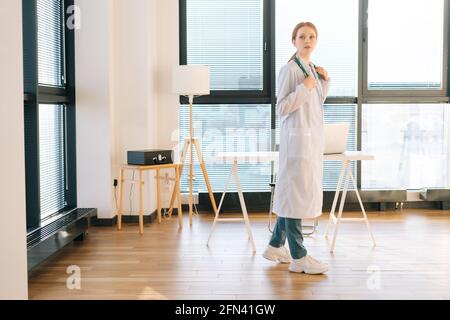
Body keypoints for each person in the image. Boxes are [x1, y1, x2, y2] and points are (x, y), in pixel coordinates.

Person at [263, 22, 330, 274]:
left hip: (310, 143)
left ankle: (274, 246)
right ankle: (299, 256)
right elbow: (282, 108)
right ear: (294, 41)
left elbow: (315, 103)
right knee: (295, 197)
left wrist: (324, 81)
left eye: (312, 36)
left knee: (295, 196)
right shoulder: (289, 70)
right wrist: (305, 87)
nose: (307, 40)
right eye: (302, 36)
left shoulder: (311, 68)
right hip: (297, 143)